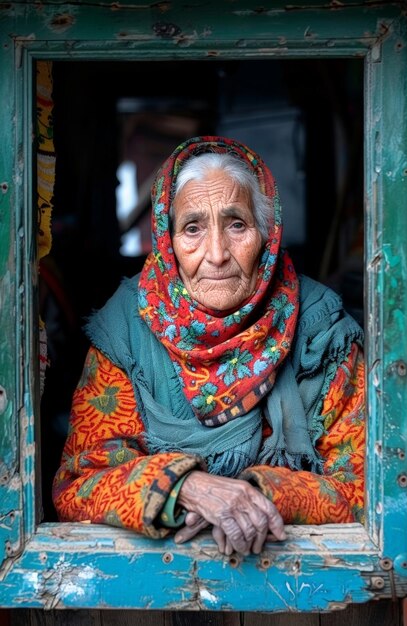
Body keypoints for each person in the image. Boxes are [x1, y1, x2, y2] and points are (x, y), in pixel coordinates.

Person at [53, 136, 365, 556]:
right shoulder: (127, 331)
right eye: (193, 228)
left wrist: (257, 493)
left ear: (266, 235)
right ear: (167, 242)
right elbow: (79, 483)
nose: (216, 254)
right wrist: (186, 486)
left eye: (236, 224)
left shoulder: (322, 332)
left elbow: (364, 488)